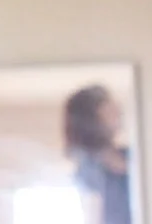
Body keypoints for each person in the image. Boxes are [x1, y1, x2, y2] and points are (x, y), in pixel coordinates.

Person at [63, 84, 132, 224]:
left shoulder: (129, 154)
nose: (118, 110)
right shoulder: (87, 167)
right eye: (109, 107)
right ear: (94, 116)